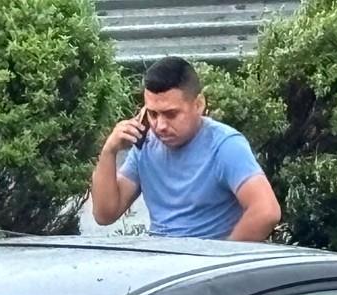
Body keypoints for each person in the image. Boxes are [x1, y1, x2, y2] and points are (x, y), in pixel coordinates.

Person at [90, 56, 280, 241]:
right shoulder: (146, 144)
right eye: (153, 114)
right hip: (161, 259)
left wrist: (220, 258)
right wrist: (109, 151)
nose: (160, 125)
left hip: (206, 262)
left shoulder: (226, 145)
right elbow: (105, 214)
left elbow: (266, 211)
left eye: (171, 114)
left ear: (198, 104)